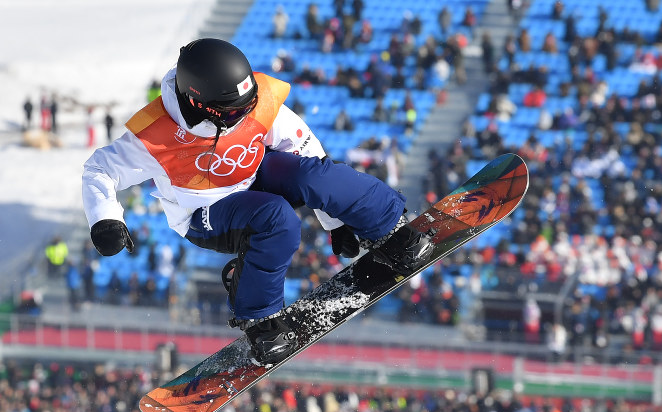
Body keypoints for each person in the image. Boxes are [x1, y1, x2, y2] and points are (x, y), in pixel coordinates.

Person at [82, 38, 432, 365]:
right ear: (200, 105)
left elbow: (306, 152)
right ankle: (259, 317)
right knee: (277, 219)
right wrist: (105, 219)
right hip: (204, 212)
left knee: (311, 175)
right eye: (233, 114)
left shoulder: (256, 104)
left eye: (247, 107)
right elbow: (100, 169)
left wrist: (336, 219)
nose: (244, 117)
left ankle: (389, 229)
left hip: (253, 176)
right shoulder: (156, 136)